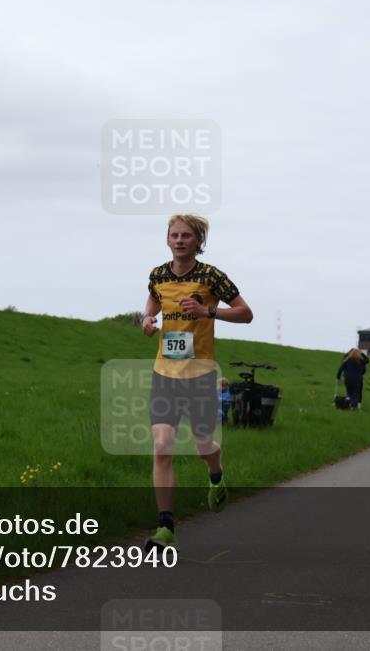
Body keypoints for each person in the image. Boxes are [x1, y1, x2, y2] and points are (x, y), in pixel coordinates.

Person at [141, 214, 253, 551]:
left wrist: (209, 313)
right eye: (174, 235)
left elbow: (246, 313)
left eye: (186, 236)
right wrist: (148, 318)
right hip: (165, 374)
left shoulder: (212, 276)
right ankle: (166, 527)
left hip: (200, 375)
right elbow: (153, 299)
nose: (179, 240)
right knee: (162, 446)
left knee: (204, 446)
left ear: (197, 241)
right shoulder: (158, 274)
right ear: (167, 240)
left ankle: (216, 475)